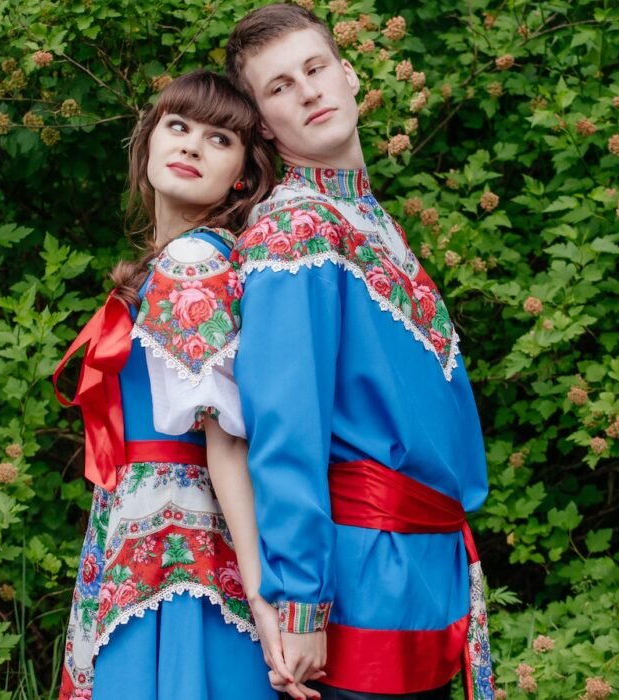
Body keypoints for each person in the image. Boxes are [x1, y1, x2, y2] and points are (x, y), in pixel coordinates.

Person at [224, 6, 495, 700]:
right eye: (280, 86)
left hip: (425, 574)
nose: (308, 91)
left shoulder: (369, 220)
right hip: (359, 581)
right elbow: (286, 429)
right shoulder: (293, 231)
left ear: (348, 74)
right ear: (263, 123)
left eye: (315, 69)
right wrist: (301, 600)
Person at [51, 70, 280, 700]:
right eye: (178, 126)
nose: (191, 145)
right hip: (147, 521)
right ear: (149, 138)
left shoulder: (194, 260)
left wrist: (262, 596)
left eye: (219, 139)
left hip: (177, 537)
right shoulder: (183, 257)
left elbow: (225, 438)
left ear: (242, 174)